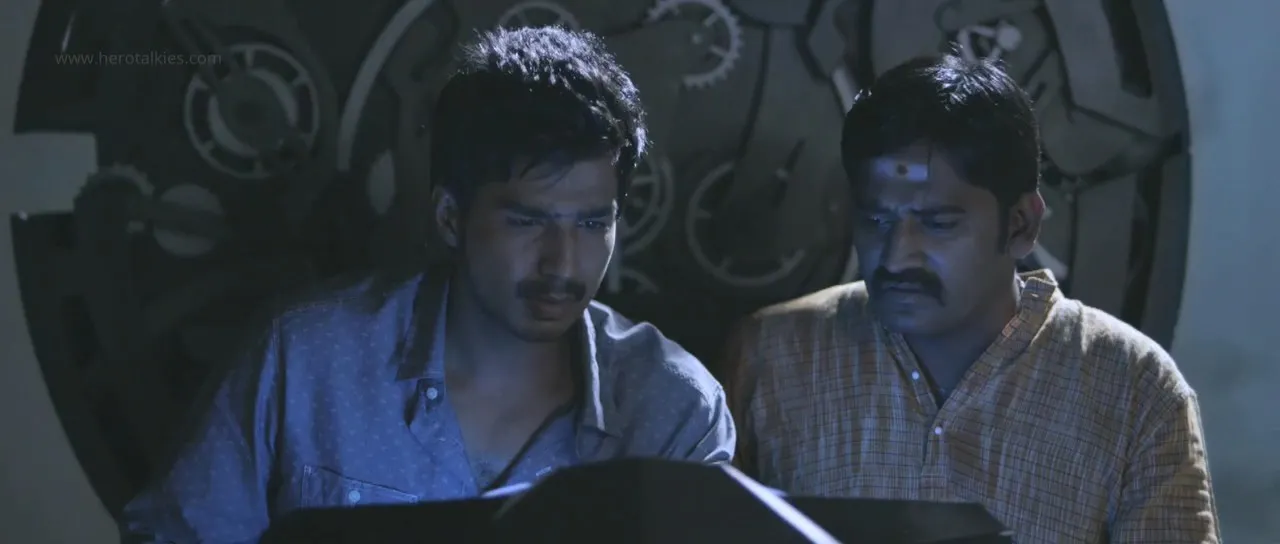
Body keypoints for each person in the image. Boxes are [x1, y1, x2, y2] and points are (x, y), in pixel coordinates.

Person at [120, 26, 734, 543]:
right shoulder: (307, 358)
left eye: (593, 223)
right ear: (449, 217)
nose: (562, 263)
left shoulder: (674, 408)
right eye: (527, 222)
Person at [723, 55, 1219, 543]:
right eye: (877, 220)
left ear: (1021, 225)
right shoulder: (771, 357)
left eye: (938, 224)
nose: (896, 256)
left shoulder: (1133, 388)